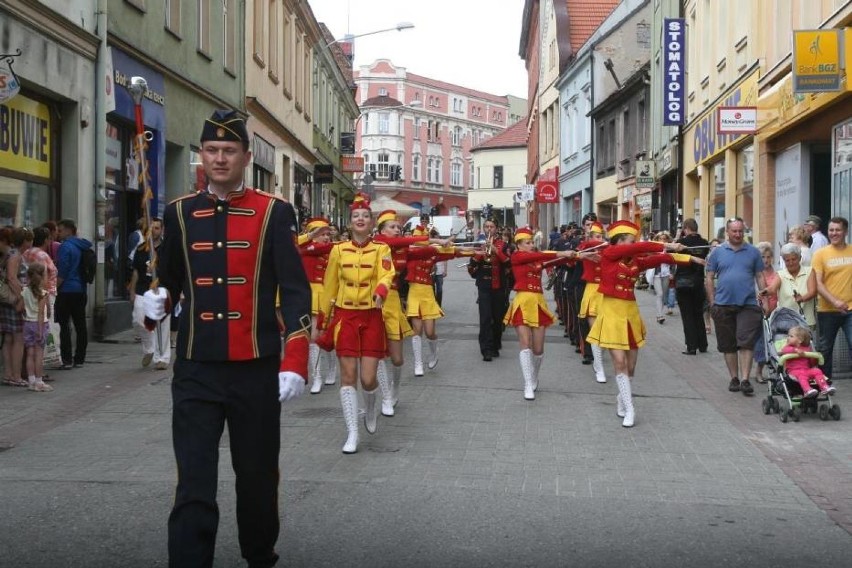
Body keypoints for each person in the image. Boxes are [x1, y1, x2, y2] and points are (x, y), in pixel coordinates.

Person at [150, 109, 311, 567]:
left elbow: (297, 292)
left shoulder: (274, 213)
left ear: (244, 156)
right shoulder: (179, 213)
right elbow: (167, 284)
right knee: (194, 481)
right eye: (211, 150)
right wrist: (151, 306)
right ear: (202, 155)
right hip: (197, 367)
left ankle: (259, 555)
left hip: (256, 368)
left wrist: (294, 359)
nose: (219, 159)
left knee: (257, 478)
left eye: (229, 151)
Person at [587, 220, 702, 427]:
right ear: (619, 241)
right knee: (620, 363)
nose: (634, 244)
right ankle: (630, 409)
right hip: (611, 313)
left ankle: (622, 399)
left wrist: (691, 258)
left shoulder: (636, 262)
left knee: (631, 367)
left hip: (630, 314)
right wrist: (667, 244)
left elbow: (662, 258)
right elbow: (644, 248)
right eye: (630, 241)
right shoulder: (609, 254)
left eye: (634, 241)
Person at [317, 193, 394, 453]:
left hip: (371, 315)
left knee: (368, 378)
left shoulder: (381, 249)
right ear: (350, 222)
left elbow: (387, 273)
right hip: (345, 316)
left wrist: (381, 291)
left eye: (365, 216)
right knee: (348, 376)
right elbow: (329, 285)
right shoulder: (338, 250)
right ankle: (352, 434)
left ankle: (370, 406)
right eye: (355, 216)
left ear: (372, 223)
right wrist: (322, 319)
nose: (360, 219)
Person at [503, 228, 579, 400]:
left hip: (538, 303)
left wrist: (576, 255)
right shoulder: (517, 257)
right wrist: (561, 252)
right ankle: (527, 383)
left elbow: (552, 261)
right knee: (525, 343)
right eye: (528, 243)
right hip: (522, 302)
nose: (531, 245)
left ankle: (534, 376)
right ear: (519, 245)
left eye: (531, 242)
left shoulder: (535, 260)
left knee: (538, 349)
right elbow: (543, 256)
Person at [374, 209, 436, 413]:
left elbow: (423, 252)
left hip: (392, 301)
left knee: (397, 359)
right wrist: (424, 237)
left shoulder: (401, 249)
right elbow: (395, 243)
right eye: (392, 227)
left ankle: (394, 389)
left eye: (398, 227)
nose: (397, 230)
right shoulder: (378, 243)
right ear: (381, 229)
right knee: (378, 353)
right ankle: (385, 396)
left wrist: (442, 246)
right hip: (374, 300)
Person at [705, 217, 767, 397]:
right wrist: (712, 301)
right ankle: (734, 378)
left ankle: (746, 379)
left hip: (748, 303)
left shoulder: (753, 252)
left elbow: (760, 276)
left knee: (746, 341)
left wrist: (764, 298)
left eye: (741, 231)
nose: (738, 234)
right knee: (728, 344)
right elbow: (709, 277)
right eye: (734, 231)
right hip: (723, 304)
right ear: (728, 232)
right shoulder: (717, 252)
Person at [405, 225, 472, 376]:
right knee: (417, 331)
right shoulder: (409, 252)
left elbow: (455, 253)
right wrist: (439, 243)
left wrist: (475, 250)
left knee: (430, 332)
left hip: (427, 293)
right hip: (414, 292)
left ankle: (434, 352)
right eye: (415, 240)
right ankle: (417, 363)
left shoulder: (432, 253)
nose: (416, 243)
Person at [297, 217, 336, 394]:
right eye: (322, 234)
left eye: (328, 234)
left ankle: (331, 369)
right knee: (313, 335)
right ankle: (316, 377)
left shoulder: (333, 251)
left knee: (325, 333)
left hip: (327, 295)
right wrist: (310, 236)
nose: (326, 237)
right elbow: (293, 243)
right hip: (308, 294)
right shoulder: (304, 248)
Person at [811, 216, 852, 379]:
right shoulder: (820, 254)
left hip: (850, 309)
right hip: (827, 310)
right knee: (825, 349)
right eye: (831, 230)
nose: (834, 233)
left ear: (846, 232)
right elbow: (818, 283)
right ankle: (823, 383)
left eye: (838, 230)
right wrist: (835, 301)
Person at [129, 217, 170, 370]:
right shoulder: (140, 249)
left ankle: (163, 358)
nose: (154, 231)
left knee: (163, 324)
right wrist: (132, 291)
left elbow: (174, 270)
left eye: (157, 228)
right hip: (143, 289)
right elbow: (135, 271)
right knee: (138, 319)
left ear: (162, 230)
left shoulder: (167, 249)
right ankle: (149, 349)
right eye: (151, 228)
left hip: (162, 288)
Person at [467, 218, 510, 361]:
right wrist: (479, 256)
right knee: (485, 318)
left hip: (498, 286)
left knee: (497, 318)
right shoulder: (478, 245)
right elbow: (471, 268)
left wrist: (496, 251)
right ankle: (485, 349)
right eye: (486, 227)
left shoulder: (503, 245)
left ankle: (495, 345)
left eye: (492, 226)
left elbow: (509, 264)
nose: (489, 229)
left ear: (496, 229)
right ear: (484, 229)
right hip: (484, 287)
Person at [55, 219, 92, 369]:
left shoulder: (65, 247)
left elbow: (63, 270)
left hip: (66, 290)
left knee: (64, 325)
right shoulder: (82, 246)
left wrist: (55, 287)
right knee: (80, 324)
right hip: (80, 289)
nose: (58, 233)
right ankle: (79, 358)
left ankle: (66, 359)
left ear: (69, 231)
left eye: (61, 230)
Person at [674, 219, 710, 355]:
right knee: (698, 313)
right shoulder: (704, 243)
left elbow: (670, 250)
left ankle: (691, 346)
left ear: (686, 228)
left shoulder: (682, 242)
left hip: (683, 282)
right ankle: (703, 345)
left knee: (687, 315)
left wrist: (678, 237)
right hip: (698, 282)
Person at [577, 221, 606, 381]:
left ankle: (598, 360)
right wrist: (594, 241)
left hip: (605, 291)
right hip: (591, 291)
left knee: (603, 331)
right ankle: (599, 367)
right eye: (597, 236)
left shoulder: (607, 249)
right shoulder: (585, 247)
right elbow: (581, 250)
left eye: (601, 236)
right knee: (594, 330)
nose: (600, 239)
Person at [0, 228, 26, 387]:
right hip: (14, 300)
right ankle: (16, 376)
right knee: (18, 338)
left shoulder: (5, 256)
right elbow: (11, 278)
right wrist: (22, 297)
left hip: (5, 300)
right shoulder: (14, 255)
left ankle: (8, 374)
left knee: (8, 338)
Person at [769, 243, 817, 329]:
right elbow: (772, 289)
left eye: (794, 259)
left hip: (806, 321)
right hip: (786, 323)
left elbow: (813, 292)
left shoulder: (809, 271)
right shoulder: (781, 274)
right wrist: (764, 292)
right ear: (784, 261)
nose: (791, 263)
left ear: (800, 258)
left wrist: (802, 298)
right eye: (787, 260)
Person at [781, 326, 836, 398]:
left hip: (806, 369)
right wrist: (795, 350)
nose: (788, 338)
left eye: (791, 336)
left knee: (817, 370)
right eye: (788, 336)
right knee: (801, 375)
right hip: (794, 371)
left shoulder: (807, 348)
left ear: (800, 340)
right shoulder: (788, 347)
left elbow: (811, 363)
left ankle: (824, 387)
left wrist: (814, 359)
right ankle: (807, 390)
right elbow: (784, 351)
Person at [22, 262, 51, 392]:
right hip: (39, 324)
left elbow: (20, 308)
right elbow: (41, 313)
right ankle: (39, 381)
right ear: (41, 277)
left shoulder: (24, 291)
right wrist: (39, 330)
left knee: (29, 354)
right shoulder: (43, 293)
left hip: (27, 324)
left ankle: (31, 380)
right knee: (39, 355)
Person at [753, 242, 779, 380]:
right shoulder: (757, 273)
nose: (766, 260)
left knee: (775, 341)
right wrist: (764, 306)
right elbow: (758, 292)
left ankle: (775, 370)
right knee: (762, 341)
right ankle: (758, 370)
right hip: (761, 310)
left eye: (769, 257)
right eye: (763, 257)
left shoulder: (777, 272)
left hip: (776, 311)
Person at [646, 231, 674, 324]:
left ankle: (660, 313)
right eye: (660, 239)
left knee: (663, 295)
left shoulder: (669, 249)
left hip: (666, 274)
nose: (662, 240)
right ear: (657, 240)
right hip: (656, 274)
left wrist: (672, 272)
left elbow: (674, 262)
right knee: (660, 294)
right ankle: (659, 315)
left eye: (664, 239)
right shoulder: (654, 250)